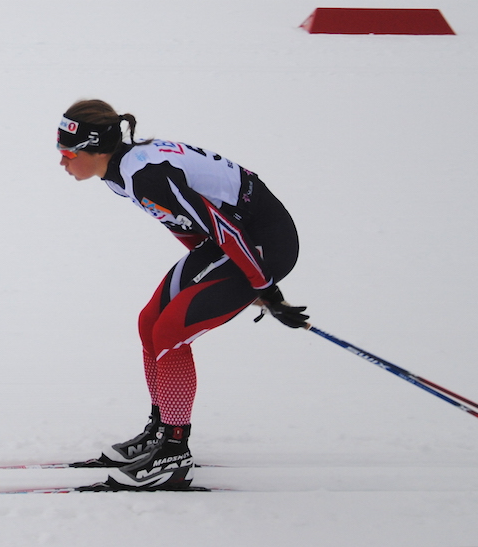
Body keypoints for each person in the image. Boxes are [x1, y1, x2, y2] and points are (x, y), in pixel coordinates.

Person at [57, 99, 308, 490]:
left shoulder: (145, 174)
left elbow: (225, 229)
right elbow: (185, 222)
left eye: (69, 153)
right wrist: (212, 276)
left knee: (171, 333)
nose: (62, 162)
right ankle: (161, 430)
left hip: (261, 243)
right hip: (227, 242)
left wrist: (265, 289)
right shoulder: (118, 173)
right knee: (150, 324)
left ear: (97, 148)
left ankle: (174, 449)